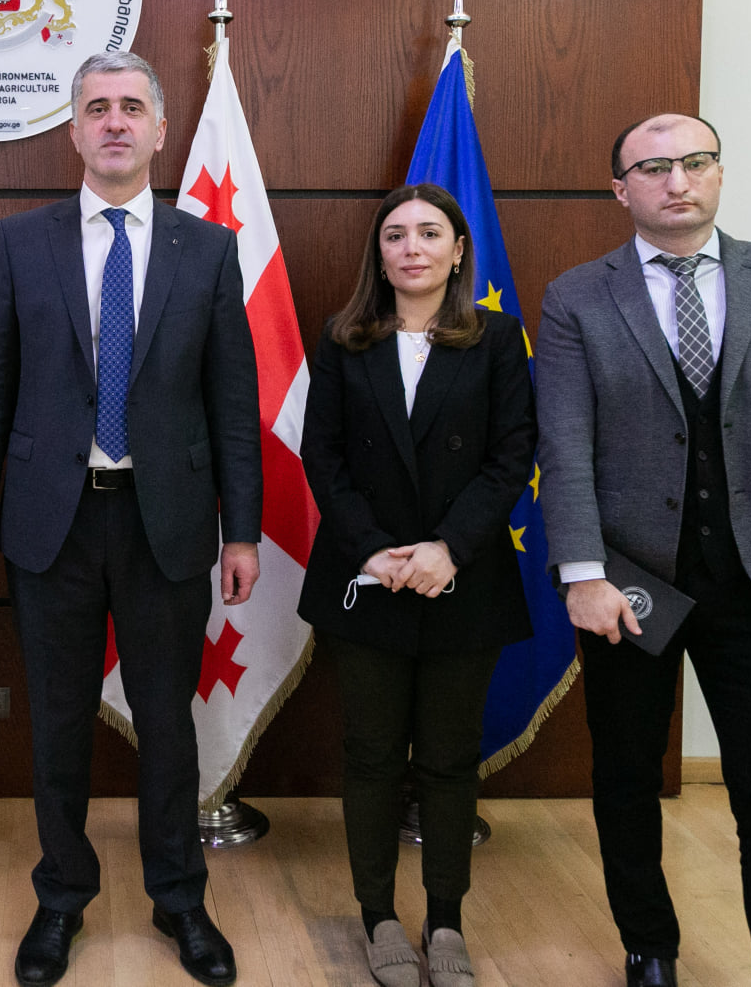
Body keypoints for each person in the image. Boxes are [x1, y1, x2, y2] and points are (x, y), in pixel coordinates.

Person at [0, 51, 263, 987]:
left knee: (168, 722)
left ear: (161, 130)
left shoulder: (207, 248)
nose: (115, 121)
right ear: (74, 130)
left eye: (132, 107)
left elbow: (232, 400)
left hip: (165, 520)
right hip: (49, 522)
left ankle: (179, 896)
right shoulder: (22, 240)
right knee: (58, 721)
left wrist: (242, 530)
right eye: (97, 108)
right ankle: (61, 896)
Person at [535, 114, 751, 987]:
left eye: (695, 162)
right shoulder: (576, 296)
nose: (676, 180)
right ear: (621, 189)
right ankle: (649, 945)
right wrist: (583, 575)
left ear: (719, 173)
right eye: (653, 168)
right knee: (627, 779)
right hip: (629, 586)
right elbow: (563, 446)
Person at [297, 183, 536, 987]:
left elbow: (512, 455)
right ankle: (378, 915)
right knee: (370, 754)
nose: (412, 247)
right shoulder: (343, 338)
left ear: (459, 250)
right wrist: (373, 550)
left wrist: (447, 548)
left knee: (448, 757)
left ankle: (445, 919)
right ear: (379, 252)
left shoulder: (497, 339)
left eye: (430, 233)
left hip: (462, 578)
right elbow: (323, 455)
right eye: (396, 234)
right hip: (368, 578)